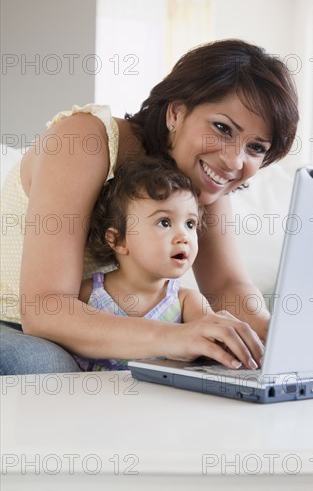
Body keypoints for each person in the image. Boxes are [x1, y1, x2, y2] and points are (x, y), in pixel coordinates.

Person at [0, 39, 299, 375]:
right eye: (222, 128)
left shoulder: (204, 178)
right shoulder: (85, 140)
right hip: (14, 322)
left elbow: (226, 285)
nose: (233, 160)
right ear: (176, 112)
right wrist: (175, 338)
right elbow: (44, 310)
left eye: (256, 147)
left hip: (123, 338)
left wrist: (274, 340)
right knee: (45, 364)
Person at [75, 156, 253, 371]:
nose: (184, 236)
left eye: (190, 224)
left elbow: (214, 336)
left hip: (160, 403)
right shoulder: (88, 294)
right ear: (118, 239)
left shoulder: (187, 302)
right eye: (165, 222)